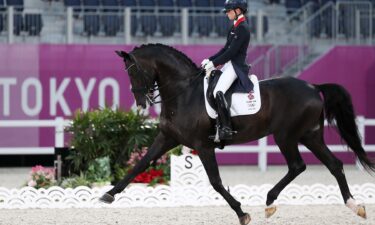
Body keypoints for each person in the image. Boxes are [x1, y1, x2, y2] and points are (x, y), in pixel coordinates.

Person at [202, 0, 253, 141]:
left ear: (238, 10)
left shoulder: (243, 28)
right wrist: (210, 60)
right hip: (229, 64)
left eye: (229, 10)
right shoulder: (234, 27)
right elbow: (225, 49)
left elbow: (231, 53)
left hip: (236, 66)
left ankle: (226, 128)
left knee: (219, 91)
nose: (227, 13)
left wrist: (214, 63)